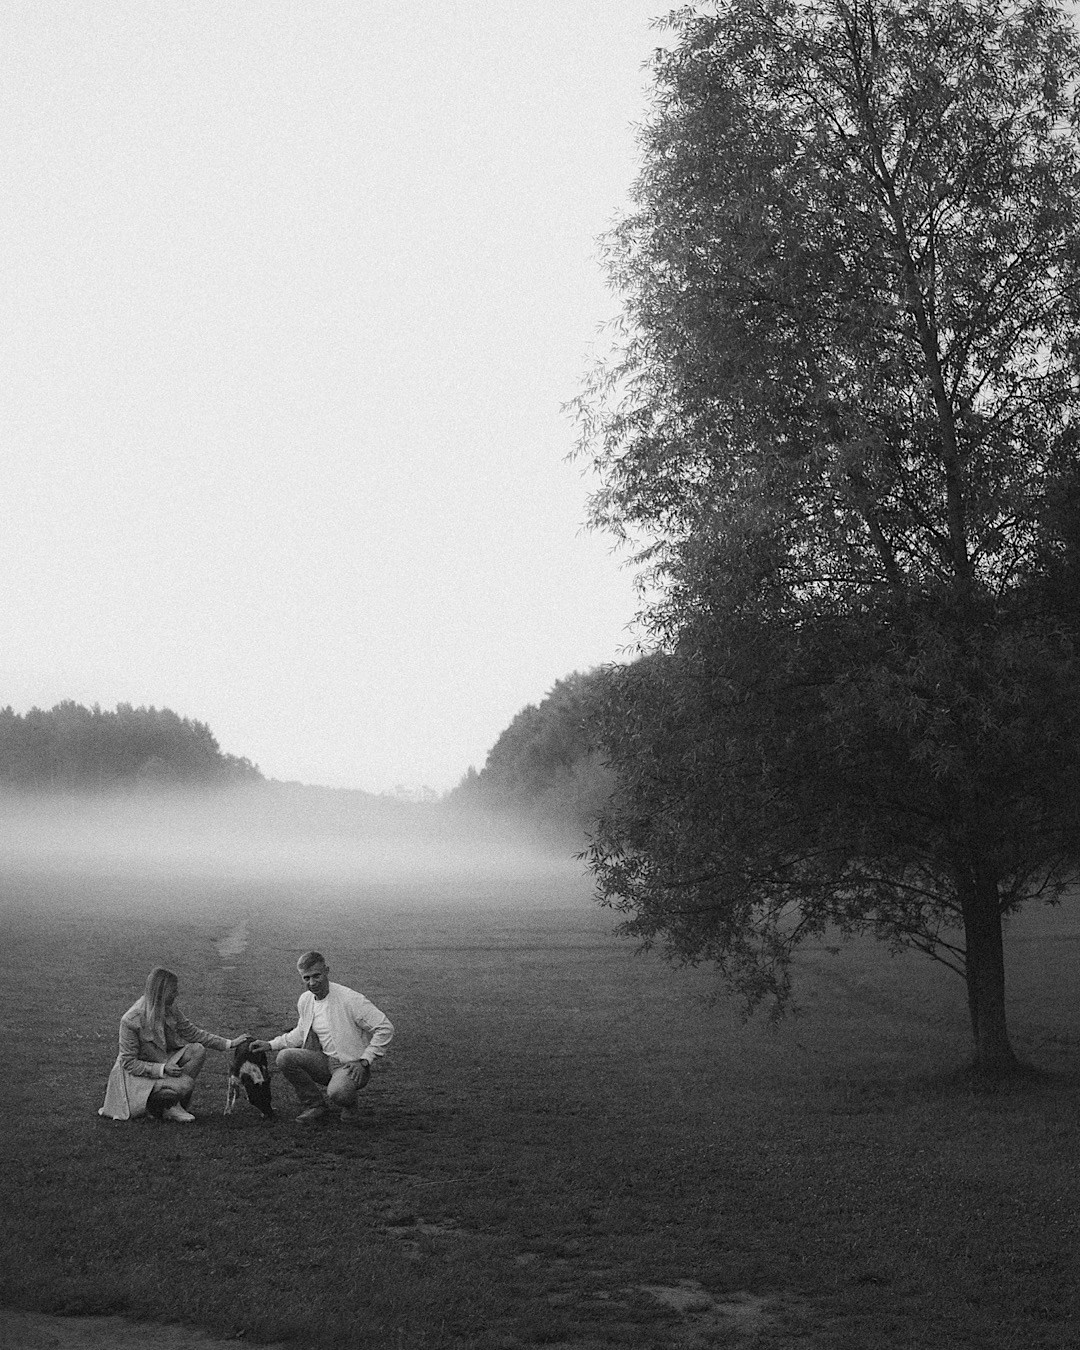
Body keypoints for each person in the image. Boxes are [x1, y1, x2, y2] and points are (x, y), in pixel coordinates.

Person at [250, 950, 393, 1124]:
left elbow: (385, 1028)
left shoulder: (350, 999)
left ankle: (350, 1107)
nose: (312, 982)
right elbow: (301, 1032)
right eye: (306, 978)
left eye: (316, 976)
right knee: (285, 1057)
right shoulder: (306, 1000)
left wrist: (365, 1060)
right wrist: (270, 1045)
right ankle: (315, 1105)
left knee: (338, 1093)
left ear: (327, 971)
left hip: (351, 1065)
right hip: (324, 1061)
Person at [99, 966, 246, 1123]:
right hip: (135, 1076)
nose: (177, 994)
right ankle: (165, 1103)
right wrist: (162, 1069)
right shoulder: (130, 1020)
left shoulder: (169, 1008)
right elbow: (129, 1063)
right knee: (186, 1084)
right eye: (173, 990)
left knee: (197, 1050)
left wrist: (229, 1043)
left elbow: (191, 1032)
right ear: (161, 992)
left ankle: (170, 1104)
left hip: (161, 1062)